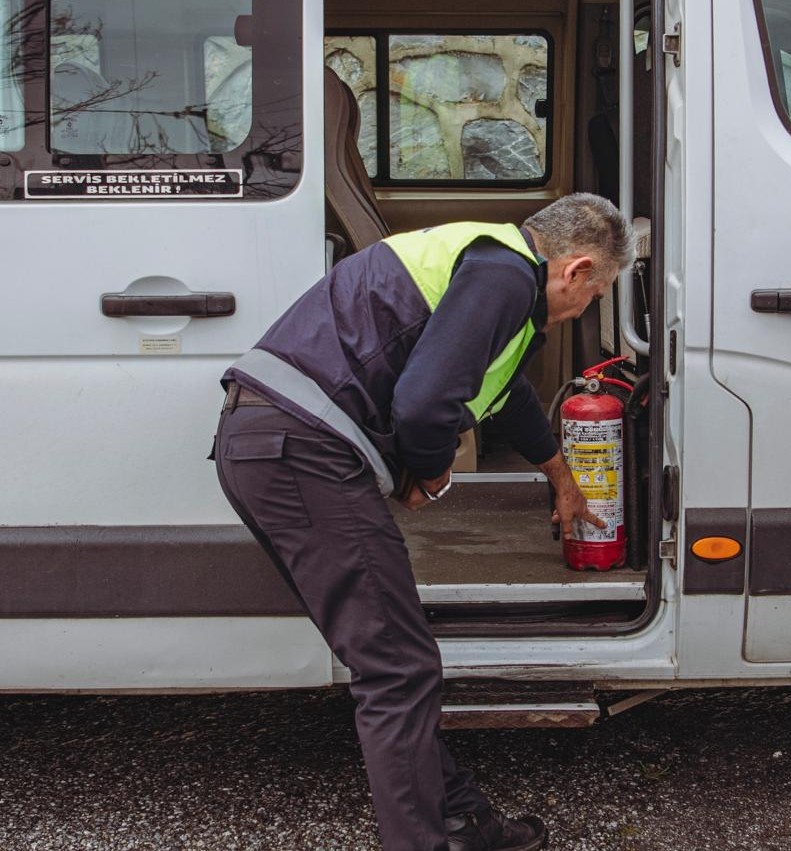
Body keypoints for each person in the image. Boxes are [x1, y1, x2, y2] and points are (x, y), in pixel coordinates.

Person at [212, 193, 635, 851]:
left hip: (275, 445)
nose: (588, 308)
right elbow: (422, 405)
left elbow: (510, 396)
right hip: (299, 451)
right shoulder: (503, 274)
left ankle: (465, 820)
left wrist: (562, 477)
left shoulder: (500, 280)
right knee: (398, 669)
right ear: (576, 270)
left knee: (393, 658)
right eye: (597, 292)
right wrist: (430, 472)